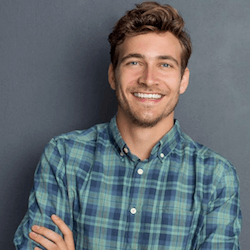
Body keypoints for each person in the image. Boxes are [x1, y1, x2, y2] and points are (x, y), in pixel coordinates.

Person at [14, 2, 242, 249]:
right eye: (134, 62)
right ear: (113, 75)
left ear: (183, 80)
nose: (148, 79)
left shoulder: (215, 177)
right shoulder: (64, 157)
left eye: (165, 64)